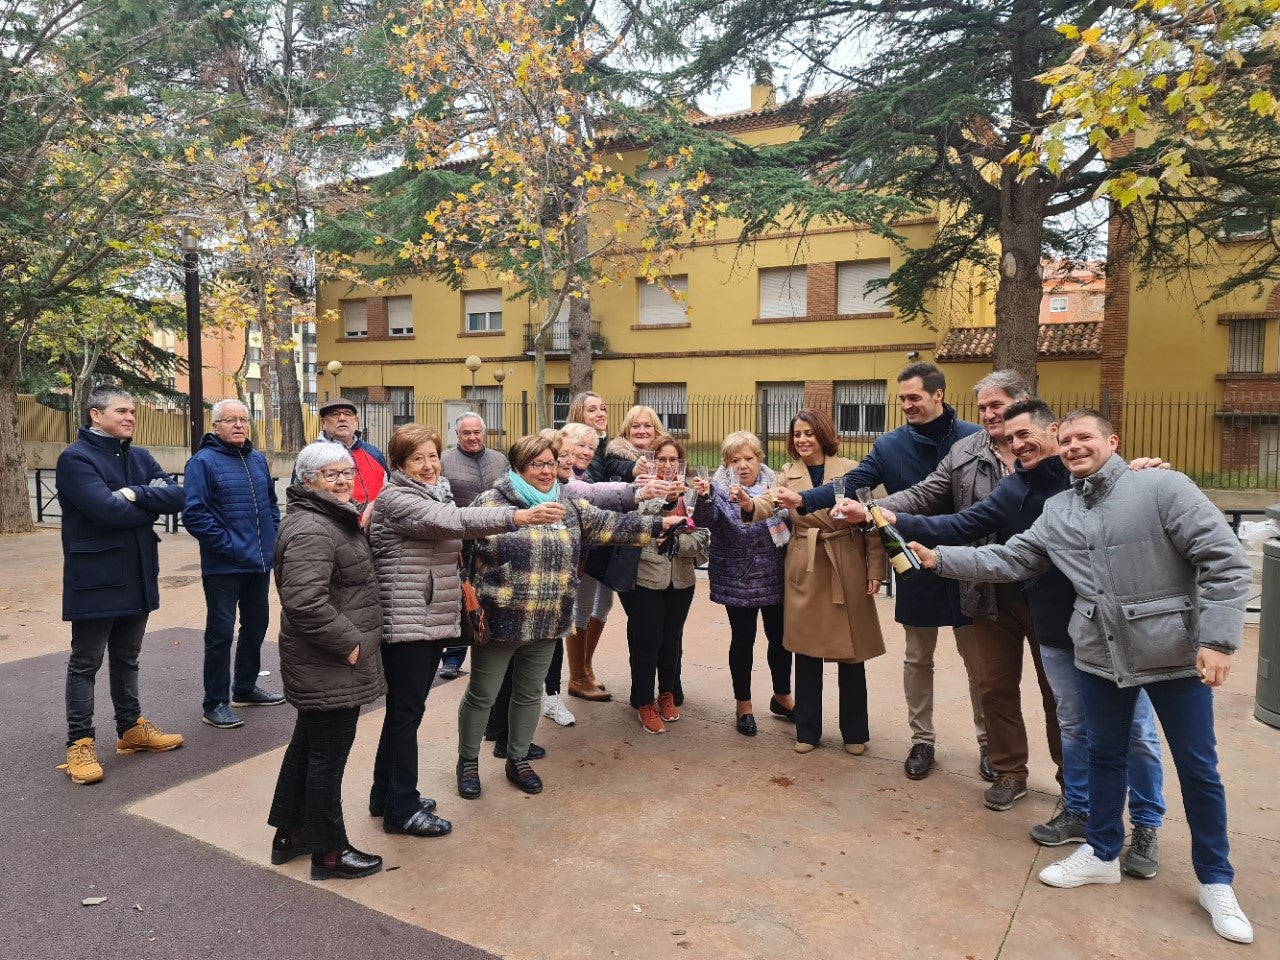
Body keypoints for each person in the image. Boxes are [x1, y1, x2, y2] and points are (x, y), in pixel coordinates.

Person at [913, 408, 1255, 945]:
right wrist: (939, 560)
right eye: (1066, 439)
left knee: (1197, 768)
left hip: (1171, 652)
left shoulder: (1161, 486)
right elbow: (1010, 558)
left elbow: (1224, 561)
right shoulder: (1058, 510)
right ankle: (1100, 851)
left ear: (1111, 441)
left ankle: (1216, 880)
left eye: (1085, 438)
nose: (1074, 446)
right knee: (1102, 754)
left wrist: (1216, 640)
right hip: (1097, 651)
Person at [882, 399, 1166, 876]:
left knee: (1134, 731)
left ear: (1052, 431)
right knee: (1074, 724)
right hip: (1058, 624)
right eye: (1009, 439)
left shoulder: (1100, 483)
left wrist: (1143, 472)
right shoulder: (1027, 490)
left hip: (1113, 631)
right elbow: (981, 536)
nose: (1016, 443)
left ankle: (1146, 824)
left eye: (1024, 434)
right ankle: (1078, 810)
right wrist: (903, 526)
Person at [846, 370, 1060, 805]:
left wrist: (1135, 470)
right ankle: (1007, 771)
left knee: (1059, 694)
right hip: (982, 584)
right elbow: (934, 502)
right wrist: (874, 510)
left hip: (1048, 593)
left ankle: (1075, 788)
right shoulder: (968, 451)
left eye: (996, 406)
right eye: (982, 407)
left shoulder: (1054, 465)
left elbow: (1104, 477)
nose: (989, 415)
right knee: (995, 685)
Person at [775, 361, 986, 781]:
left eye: (914, 398)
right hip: (911, 559)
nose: (906, 405)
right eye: (902, 398)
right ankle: (922, 741)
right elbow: (857, 482)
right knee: (917, 659)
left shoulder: (974, 440)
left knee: (978, 663)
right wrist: (803, 501)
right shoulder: (889, 445)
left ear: (938, 395)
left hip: (968, 561)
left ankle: (990, 744)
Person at [456, 433, 684, 799]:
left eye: (551, 464)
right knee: (483, 693)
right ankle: (468, 763)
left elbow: (610, 524)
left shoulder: (567, 500)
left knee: (529, 693)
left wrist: (658, 526)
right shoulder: (491, 501)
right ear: (518, 467)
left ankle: (518, 759)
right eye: (537, 465)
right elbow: (465, 547)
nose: (547, 472)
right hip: (502, 618)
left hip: (548, 618)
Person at [366, 424, 557, 837]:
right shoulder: (400, 498)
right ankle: (402, 808)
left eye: (433, 456)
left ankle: (387, 796)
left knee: (403, 713)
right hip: (407, 621)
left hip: (424, 616)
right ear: (398, 464)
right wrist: (516, 516)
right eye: (417, 458)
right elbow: (452, 521)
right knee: (405, 715)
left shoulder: (426, 492)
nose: (429, 465)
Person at [268, 441, 386, 880]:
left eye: (346, 472)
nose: (341, 481)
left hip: (327, 661)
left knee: (308, 747)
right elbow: (304, 602)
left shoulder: (330, 519)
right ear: (307, 481)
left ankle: (293, 834)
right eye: (329, 475)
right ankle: (329, 852)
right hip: (330, 661)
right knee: (326, 757)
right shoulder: (314, 528)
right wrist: (352, 644)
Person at [57, 387, 186, 785]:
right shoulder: (75, 458)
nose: (130, 417)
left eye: (132, 411)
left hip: (137, 574)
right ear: (96, 415)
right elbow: (105, 511)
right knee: (86, 662)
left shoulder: (139, 456)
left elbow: (178, 496)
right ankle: (79, 742)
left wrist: (133, 493)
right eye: (122, 410)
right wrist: (148, 503)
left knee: (127, 657)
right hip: (96, 579)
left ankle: (130, 729)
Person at [746, 409, 885, 753]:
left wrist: (875, 569)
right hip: (805, 565)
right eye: (797, 434)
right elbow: (766, 502)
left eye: (809, 432)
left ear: (822, 434)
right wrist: (747, 503)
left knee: (851, 654)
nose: (802, 439)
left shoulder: (852, 470)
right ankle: (807, 732)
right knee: (806, 652)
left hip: (846, 562)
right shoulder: (786, 474)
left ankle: (855, 733)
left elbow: (872, 521)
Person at [182, 398, 284, 730]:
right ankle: (215, 702)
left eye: (243, 419)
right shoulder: (203, 462)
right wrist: (228, 546)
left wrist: (270, 537)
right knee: (221, 634)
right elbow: (194, 514)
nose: (239, 425)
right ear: (216, 427)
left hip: (258, 563)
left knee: (256, 627)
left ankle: (244, 688)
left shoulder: (256, 459)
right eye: (231, 420)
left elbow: (271, 503)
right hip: (224, 566)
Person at [690, 430, 793, 736]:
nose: (743, 465)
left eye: (749, 458)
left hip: (775, 574)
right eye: (735, 460)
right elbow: (707, 520)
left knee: (780, 639)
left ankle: (783, 697)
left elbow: (790, 522)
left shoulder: (777, 485)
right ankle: (743, 704)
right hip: (738, 577)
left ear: (760, 459)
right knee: (743, 640)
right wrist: (705, 497)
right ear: (726, 463)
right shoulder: (719, 489)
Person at [618, 435, 709, 734]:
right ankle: (644, 700)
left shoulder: (691, 496)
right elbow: (632, 530)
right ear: (651, 463)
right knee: (649, 640)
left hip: (682, 579)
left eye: (673, 460)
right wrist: (660, 518)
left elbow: (703, 538)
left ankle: (666, 693)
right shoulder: (639, 493)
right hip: (646, 579)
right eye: (662, 459)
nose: (668, 466)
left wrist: (673, 540)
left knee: (672, 639)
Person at [438, 411, 508, 681]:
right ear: (457, 436)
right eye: (466, 433)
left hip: (494, 538)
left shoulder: (500, 460)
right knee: (460, 598)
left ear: (484, 433)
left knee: (491, 595)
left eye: (476, 432)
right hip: (461, 540)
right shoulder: (445, 460)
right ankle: (453, 658)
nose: (472, 437)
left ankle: (491, 649)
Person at [565, 392, 616, 698]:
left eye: (603, 407)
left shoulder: (606, 446)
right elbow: (590, 491)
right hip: (585, 542)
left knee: (605, 604)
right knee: (581, 607)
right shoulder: (575, 453)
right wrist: (631, 490)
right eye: (592, 409)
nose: (600, 413)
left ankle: (585, 667)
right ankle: (577, 676)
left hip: (606, 537)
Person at [313, 397, 388, 509]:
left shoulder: (374, 453)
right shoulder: (312, 457)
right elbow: (299, 500)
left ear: (356, 420)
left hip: (375, 525)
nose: (342, 418)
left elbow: (388, 491)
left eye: (348, 414)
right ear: (323, 422)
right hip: (333, 525)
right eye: (335, 414)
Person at [567, 390, 610, 482]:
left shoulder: (612, 448)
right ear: (579, 415)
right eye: (592, 410)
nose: (601, 414)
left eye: (602, 409)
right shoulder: (571, 452)